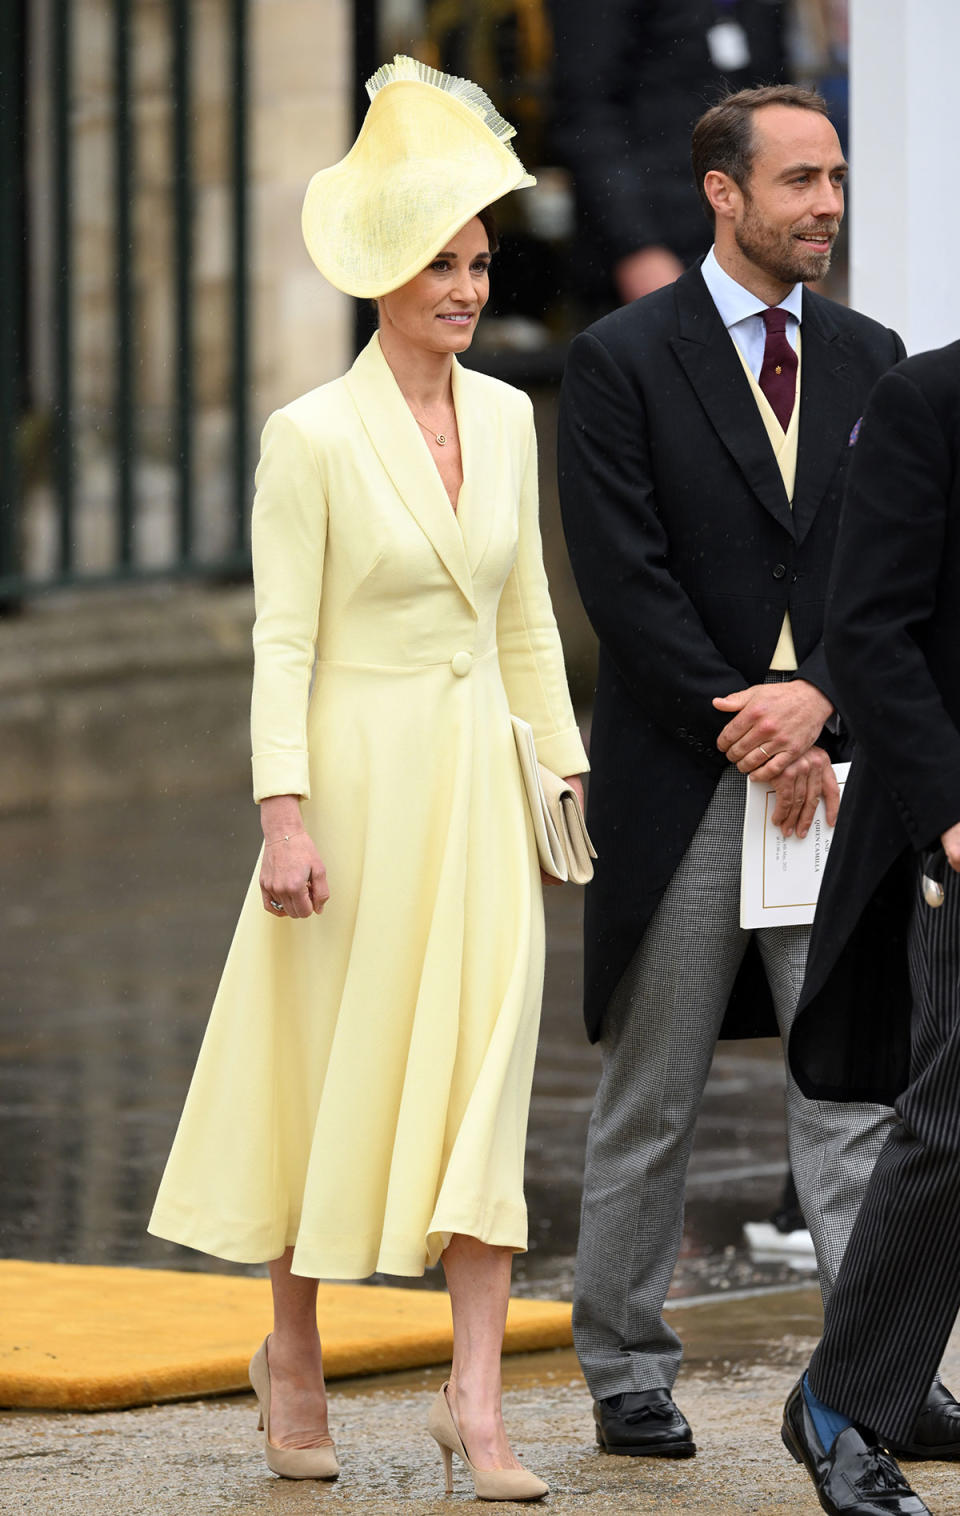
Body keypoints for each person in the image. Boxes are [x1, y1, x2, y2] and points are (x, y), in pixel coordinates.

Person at [148, 55, 588, 1501]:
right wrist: (282, 812)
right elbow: (281, 639)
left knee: (488, 1081)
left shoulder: (517, 421)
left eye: (479, 260)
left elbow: (524, 619)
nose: (467, 287)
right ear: (385, 270)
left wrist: (561, 788)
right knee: (321, 1073)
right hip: (349, 789)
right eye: (440, 261)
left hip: (476, 792)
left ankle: (480, 1410)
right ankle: (295, 1356)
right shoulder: (312, 436)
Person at [557, 84, 907, 1460]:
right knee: (653, 1093)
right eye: (799, 180)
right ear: (723, 193)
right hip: (686, 779)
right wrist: (747, 720)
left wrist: (820, 701)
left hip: (834, 774)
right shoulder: (621, 359)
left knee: (855, 1093)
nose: (825, 204)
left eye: (834, 179)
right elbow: (621, 583)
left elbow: (897, 569)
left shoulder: (875, 356)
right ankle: (625, 1366)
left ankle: (877, 1370)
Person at [782, 343, 960, 1514]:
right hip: (956, 834)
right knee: (954, 1121)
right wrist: (951, 809)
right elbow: (871, 631)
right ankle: (840, 1404)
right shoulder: (927, 401)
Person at [550, 0, 787, 306]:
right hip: (657, 244)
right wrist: (637, 246)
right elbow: (586, 116)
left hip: (752, 243)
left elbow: (780, 100)